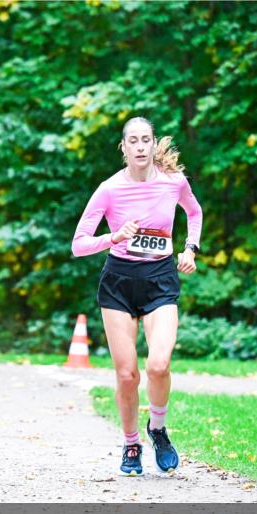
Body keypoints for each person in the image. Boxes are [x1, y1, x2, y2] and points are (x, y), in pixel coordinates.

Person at [71, 116, 203, 476]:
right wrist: (112, 238)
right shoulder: (109, 189)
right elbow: (78, 244)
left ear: (153, 143)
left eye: (146, 140)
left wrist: (190, 249)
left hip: (160, 278)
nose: (141, 146)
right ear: (124, 147)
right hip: (119, 281)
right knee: (127, 374)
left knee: (158, 364)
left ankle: (157, 429)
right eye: (134, 141)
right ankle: (131, 444)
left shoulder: (174, 182)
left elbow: (194, 212)